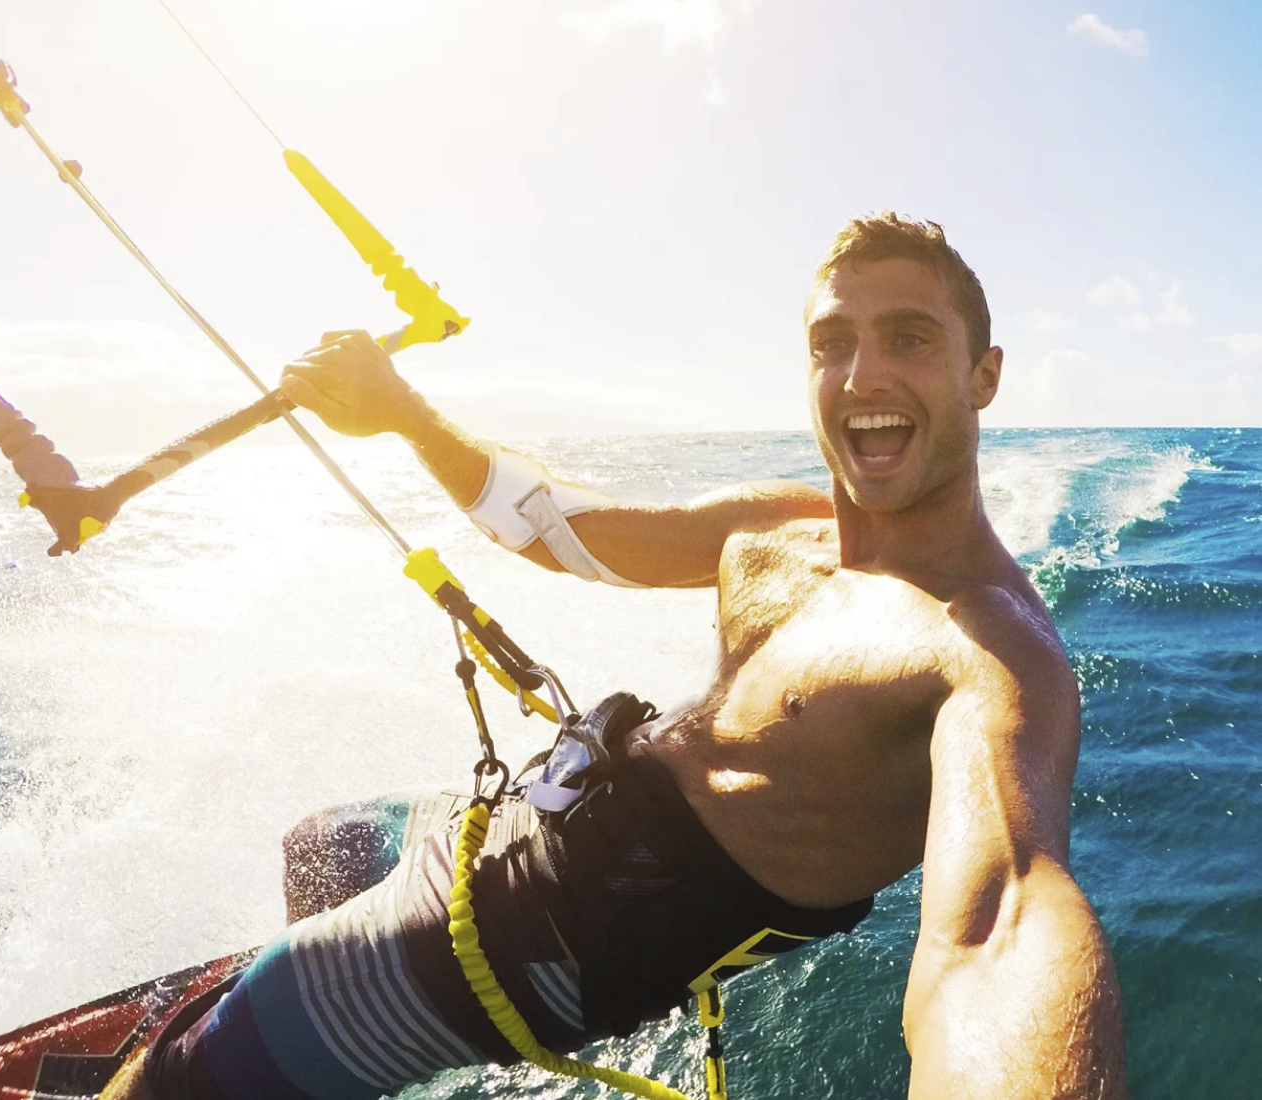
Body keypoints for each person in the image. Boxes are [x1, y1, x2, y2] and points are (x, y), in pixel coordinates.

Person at [104, 213, 1128, 1100]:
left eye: (908, 338)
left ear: (982, 374)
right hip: (537, 815)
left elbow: (1000, 925)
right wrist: (402, 412)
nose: (863, 374)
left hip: (546, 939)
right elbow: (564, 528)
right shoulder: (788, 526)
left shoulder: (986, 653)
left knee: (174, 1069)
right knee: (318, 844)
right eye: (832, 342)